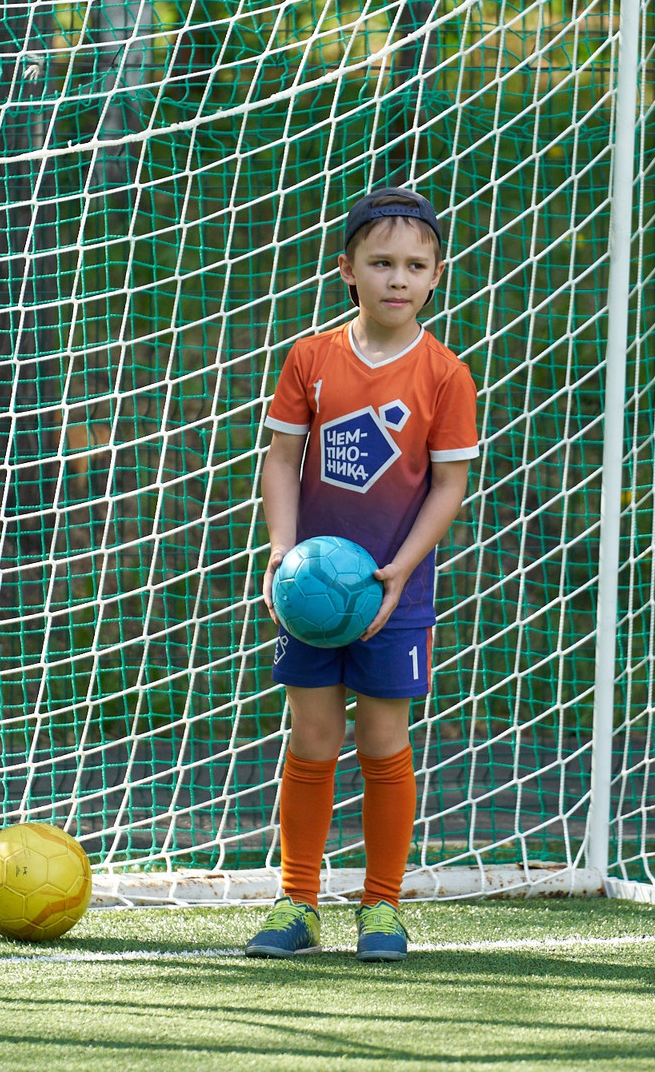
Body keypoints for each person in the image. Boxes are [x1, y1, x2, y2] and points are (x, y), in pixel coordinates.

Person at [243, 187, 479, 963]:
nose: (397, 279)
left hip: (396, 594)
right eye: (381, 263)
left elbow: (448, 485)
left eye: (415, 265)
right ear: (348, 270)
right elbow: (281, 461)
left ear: (437, 275)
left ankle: (382, 907)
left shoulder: (446, 376)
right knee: (311, 738)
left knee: (382, 739)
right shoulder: (310, 357)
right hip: (310, 597)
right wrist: (282, 551)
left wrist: (398, 574)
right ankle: (297, 901)